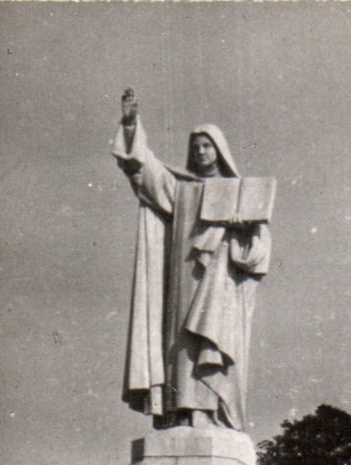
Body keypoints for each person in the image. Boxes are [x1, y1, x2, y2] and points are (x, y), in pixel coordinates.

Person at [114, 88, 270, 430]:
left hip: (222, 283)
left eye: (207, 146)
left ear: (219, 151)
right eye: (196, 147)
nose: (201, 152)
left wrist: (242, 231)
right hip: (184, 279)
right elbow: (142, 172)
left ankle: (209, 411)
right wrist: (130, 125)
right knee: (182, 344)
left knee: (212, 342)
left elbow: (258, 252)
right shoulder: (181, 188)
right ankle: (183, 410)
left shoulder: (240, 192)